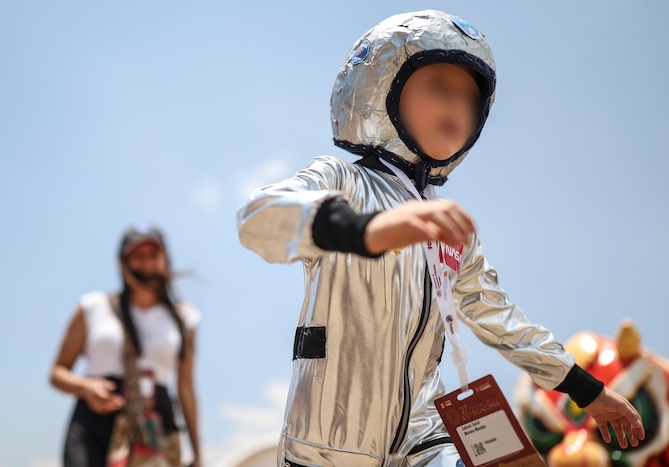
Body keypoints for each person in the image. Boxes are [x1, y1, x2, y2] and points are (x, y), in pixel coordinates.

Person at [237, 10, 644, 467]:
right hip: (330, 446)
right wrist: (364, 229)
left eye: (471, 98)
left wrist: (586, 390)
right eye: (439, 86)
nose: (458, 107)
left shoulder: (451, 229)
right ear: (383, 88)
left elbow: (500, 319)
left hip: (424, 437)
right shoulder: (343, 182)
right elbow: (258, 217)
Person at [50, 223, 202, 467]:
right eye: (138, 256)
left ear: (165, 259)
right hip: (96, 421)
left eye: (153, 255)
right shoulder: (92, 306)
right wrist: (85, 387)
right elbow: (57, 372)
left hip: (154, 425)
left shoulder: (185, 318)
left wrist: (197, 454)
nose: (147, 263)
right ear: (122, 263)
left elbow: (186, 387)